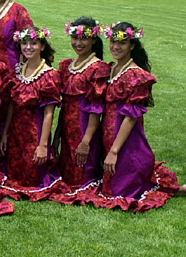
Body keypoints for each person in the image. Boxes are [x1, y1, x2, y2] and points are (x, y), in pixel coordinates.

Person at [59, 22, 180, 212]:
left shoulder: (137, 76)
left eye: (122, 43)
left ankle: (174, 189)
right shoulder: (111, 69)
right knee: (108, 187)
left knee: (118, 192)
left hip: (125, 139)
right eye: (113, 42)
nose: (116, 47)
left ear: (132, 45)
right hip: (107, 135)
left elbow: (131, 118)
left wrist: (114, 152)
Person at [0, 27, 66, 201]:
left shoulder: (50, 75)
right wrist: (6, 132)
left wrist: (43, 145)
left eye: (33, 43)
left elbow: (48, 114)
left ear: (42, 46)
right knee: (14, 174)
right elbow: (12, 105)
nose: (28, 47)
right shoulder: (16, 71)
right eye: (24, 43)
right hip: (16, 131)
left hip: (35, 132)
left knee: (33, 177)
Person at [55, 18, 108, 189]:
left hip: (85, 129)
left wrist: (86, 142)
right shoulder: (66, 65)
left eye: (84, 38)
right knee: (67, 176)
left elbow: (96, 109)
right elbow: (63, 106)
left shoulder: (98, 69)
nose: (78, 43)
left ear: (93, 40)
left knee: (82, 178)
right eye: (75, 38)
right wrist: (57, 137)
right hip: (67, 129)